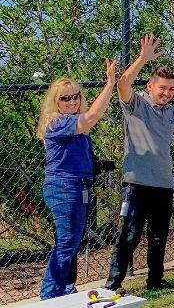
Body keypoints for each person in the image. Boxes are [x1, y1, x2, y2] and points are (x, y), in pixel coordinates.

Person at [106, 34, 174, 292]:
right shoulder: (136, 105)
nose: (167, 93)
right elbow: (122, 84)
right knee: (129, 236)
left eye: (172, 89)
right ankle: (112, 285)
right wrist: (143, 58)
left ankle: (155, 282)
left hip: (163, 185)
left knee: (158, 237)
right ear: (150, 87)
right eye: (162, 87)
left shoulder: (170, 113)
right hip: (136, 183)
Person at [36, 60, 117, 299]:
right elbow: (91, 117)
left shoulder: (73, 126)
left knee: (72, 241)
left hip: (79, 186)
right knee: (66, 242)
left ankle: (66, 287)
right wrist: (110, 84)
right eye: (65, 98)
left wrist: (98, 166)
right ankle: (49, 294)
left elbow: (80, 156)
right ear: (55, 102)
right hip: (63, 187)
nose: (72, 101)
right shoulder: (57, 122)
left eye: (75, 97)